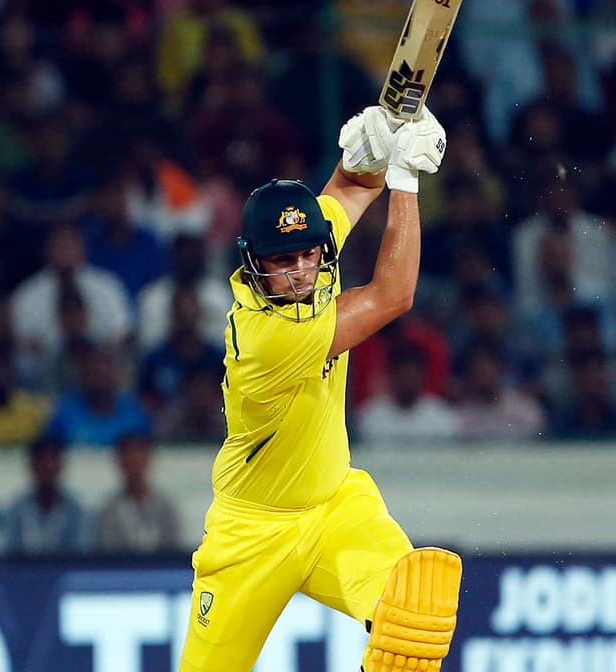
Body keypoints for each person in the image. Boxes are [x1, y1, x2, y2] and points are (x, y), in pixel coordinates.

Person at [179, 105, 458, 671]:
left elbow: (348, 191)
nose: (301, 271)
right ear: (252, 263)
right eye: (283, 260)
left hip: (336, 507)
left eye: (310, 253)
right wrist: (405, 179)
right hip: (252, 532)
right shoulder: (267, 337)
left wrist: (366, 156)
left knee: (414, 610)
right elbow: (393, 295)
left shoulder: (310, 259)